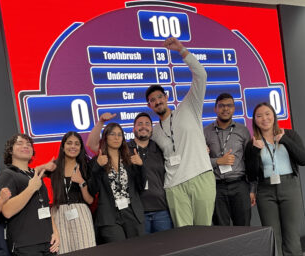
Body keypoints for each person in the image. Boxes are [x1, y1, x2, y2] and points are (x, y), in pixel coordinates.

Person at [146, 37, 215, 227]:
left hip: (200, 175)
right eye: (153, 100)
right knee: (185, 239)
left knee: (204, 233)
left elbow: (201, 75)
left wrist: (181, 50)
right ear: (149, 105)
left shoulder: (189, 107)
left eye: (160, 97)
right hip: (174, 186)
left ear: (167, 97)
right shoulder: (154, 132)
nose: (157, 101)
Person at [245, 102, 305, 256]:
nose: (264, 118)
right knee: (274, 235)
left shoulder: (289, 134)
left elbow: (303, 159)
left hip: (289, 185)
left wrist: (285, 141)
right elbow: (251, 173)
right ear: (254, 120)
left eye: (267, 114)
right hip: (265, 190)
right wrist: (255, 151)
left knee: (291, 233)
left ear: (274, 115)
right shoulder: (253, 142)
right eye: (259, 116)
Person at [87, 112, 173, 234]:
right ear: (133, 129)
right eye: (140, 124)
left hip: (161, 209)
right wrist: (100, 122)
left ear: (152, 128)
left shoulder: (160, 148)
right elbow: (92, 145)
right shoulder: (124, 149)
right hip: (136, 211)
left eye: (147, 123)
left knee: (166, 248)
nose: (144, 126)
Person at [0, 134, 60, 256]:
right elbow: (6, 211)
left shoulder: (33, 174)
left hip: (48, 241)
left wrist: (55, 232)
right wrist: (31, 189)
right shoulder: (7, 175)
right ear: (10, 150)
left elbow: (45, 207)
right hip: (26, 245)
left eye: (28, 144)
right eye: (19, 143)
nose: (25, 146)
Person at [87, 123, 146, 243]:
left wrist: (140, 166)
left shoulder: (130, 159)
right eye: (112, 134)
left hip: (132, 212)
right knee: (120, 254)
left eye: (120, 135)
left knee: (138, 252)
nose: (116, 137)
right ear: (105, 137)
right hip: (109, 216)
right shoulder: (98, 160)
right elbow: (92, 190)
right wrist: (98, 167)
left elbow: (141, 186)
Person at [204, 93, 253, 226]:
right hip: (216, 187)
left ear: (234, 108)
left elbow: (250, 161)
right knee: (222, 231)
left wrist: (252, 189)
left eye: (229, 105)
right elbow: (199, 162)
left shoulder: (243, 131)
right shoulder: (205, 132)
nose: (225, 109)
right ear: (215, 109)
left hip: (239, 185)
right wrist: (218, 161)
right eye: (221, 106)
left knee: (244, 229)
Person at [50, 132, 96, 254]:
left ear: (81, 147)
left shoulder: (86, 166)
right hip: (58, 213)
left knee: (86, 253)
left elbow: (90, 200)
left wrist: (81, 182)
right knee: (64, 255)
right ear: (63, 146)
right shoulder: (53, 167)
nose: (73, 147)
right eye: (69, 143)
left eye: (77, 144)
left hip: (81, 212)